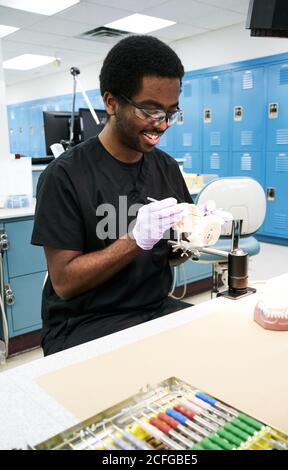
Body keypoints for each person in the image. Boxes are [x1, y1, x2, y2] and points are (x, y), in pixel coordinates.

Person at [31, 35, 194, 356]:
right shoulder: (64, 175)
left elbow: (173, 256)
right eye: (149, 110)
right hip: (85, 322)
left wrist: (193, 238)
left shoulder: (165, 167)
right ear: (111, 102)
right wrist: (135, 239)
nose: (161, 125)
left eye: (170, 112)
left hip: (153, 308)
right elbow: (64, 281)